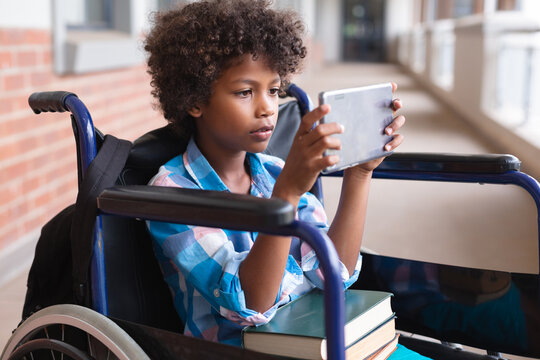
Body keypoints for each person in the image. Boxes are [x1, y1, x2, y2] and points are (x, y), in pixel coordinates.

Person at [144, 0, 407, 349]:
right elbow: (252, 302)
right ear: (195, 100)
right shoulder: (171, 193)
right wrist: (285, 196)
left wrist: (359, 175)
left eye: (273, 89)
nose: (268, 107)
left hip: (313, 340)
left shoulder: (273, 172)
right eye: (244, 92)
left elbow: (334, 273)